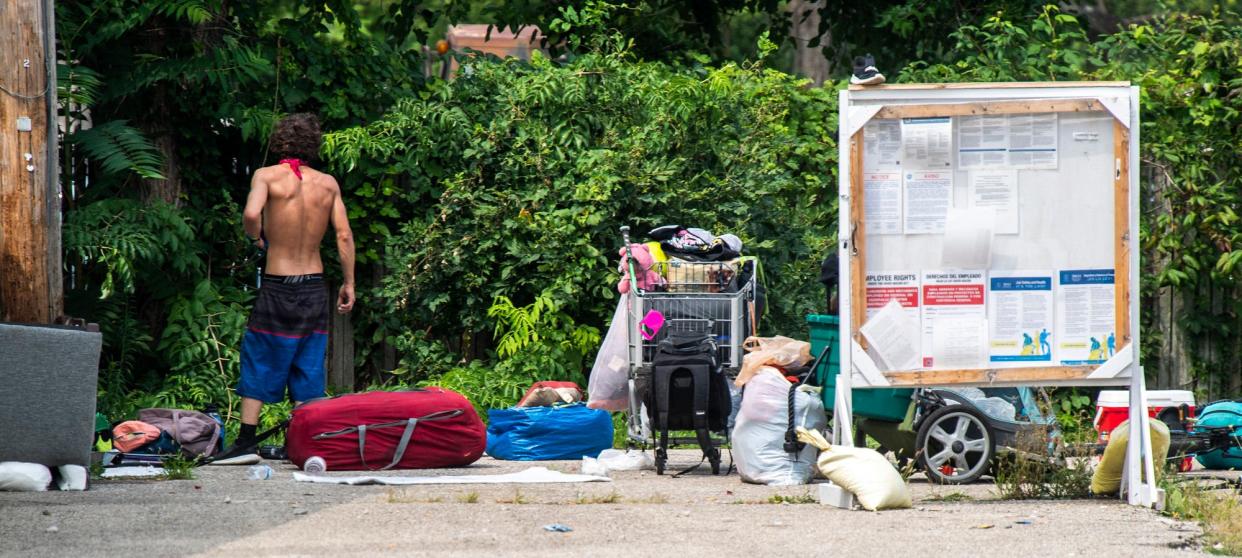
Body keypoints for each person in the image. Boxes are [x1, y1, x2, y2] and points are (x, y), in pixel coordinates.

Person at [215, 113, 355, 463]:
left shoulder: (266, 176)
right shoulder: (328, 183)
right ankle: (305, 442)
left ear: (279, 143)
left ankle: (246, 441)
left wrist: (257, 237)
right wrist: (349, 282)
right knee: (308, 361)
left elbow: (250, 214)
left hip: (278, 285)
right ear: (313, 146)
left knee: (261, 354)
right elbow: (343, 235)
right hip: (313, 286)